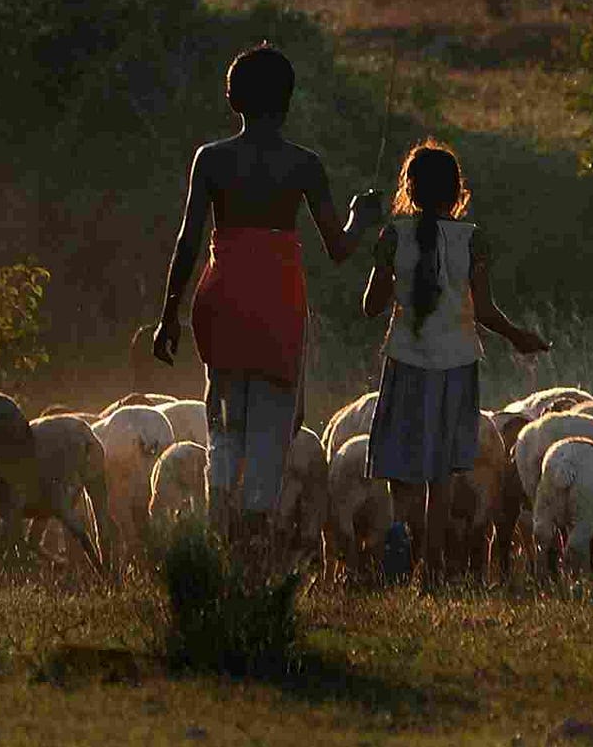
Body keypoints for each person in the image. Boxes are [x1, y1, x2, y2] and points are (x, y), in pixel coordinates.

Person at [152, 43, 382, 554]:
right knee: (273, 421)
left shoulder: (210, 159)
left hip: (222, 300)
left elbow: (189, 239)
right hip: (278, 302)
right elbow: (338, 248)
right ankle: (253, 536)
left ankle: (220, 526)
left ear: (232, 98)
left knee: (225, 413)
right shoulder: (304, 164)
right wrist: (362, 219)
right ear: (288, 101)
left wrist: (169, 315)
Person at [361, 139, 550, 582]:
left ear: (408, 186)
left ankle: (399, 540)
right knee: (441, 472)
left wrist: (387, 265)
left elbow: (370, 306)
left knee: (402, 463)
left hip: (405, 362)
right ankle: (431, 566)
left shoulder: (393, 237)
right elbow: (484, 311)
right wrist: (519, 337)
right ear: (457, 191)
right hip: (455, 365)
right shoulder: (473, 240)